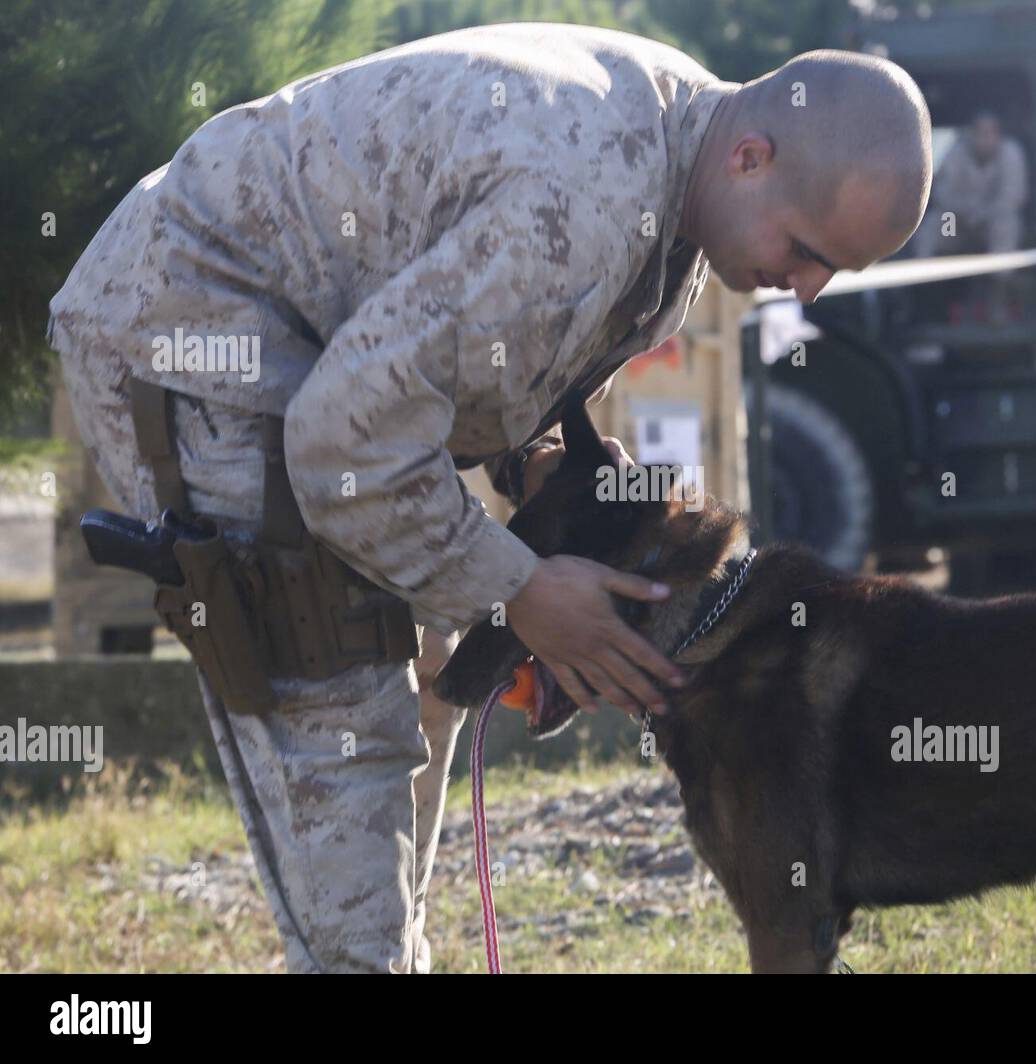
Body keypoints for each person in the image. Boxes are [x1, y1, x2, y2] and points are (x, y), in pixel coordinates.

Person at [47, 22, 931, 972]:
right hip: (189, 331)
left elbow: (470, 356)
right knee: (338, 697)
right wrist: (523, 590)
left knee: (434, 675)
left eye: (834, 270)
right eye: (806, 250)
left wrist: (536, 458)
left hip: (307, 357)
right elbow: (345, 438)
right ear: (753, 158)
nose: (805, 291)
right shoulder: (589, 196)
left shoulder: (687, 153)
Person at [910, 110, 1027, 318]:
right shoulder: (957, 151)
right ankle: (924, 292)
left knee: (1006, 224)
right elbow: (942, 193)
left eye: (990, 133)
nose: (984, 139)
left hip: (991, 226)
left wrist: (982, 214)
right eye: (980, 132)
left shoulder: (1010, 153)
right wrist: (964, 211)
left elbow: (1013, 197)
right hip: (958, 224)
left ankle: (998, 295)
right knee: (933, 225)